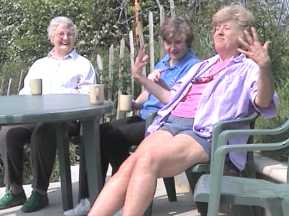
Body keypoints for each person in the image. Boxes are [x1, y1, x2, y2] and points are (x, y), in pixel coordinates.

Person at [88, 4, 278, 216]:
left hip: (203, 131)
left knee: (147, 161)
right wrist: (140, 78)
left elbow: (263, 102)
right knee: (129, 164)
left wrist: (264, 68)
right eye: (216, 27)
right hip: (172, 122)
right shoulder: (204, 66)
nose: (218, 31)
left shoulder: (249, 67)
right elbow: (170, 98)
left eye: (225, 27)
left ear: (243, 34)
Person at [0, 16, 96, 213]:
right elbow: (25, 94)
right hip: (36, 116)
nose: (66, 37)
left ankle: (39, 192)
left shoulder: (83, 64)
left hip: (67, 119)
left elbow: (88, 95)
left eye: (70, 34)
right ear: (52, 37)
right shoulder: (40, 64)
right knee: (8, 132)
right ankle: (15, 189)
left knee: (44, 129)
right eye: (61, 34)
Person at [99, 16, 199, 179]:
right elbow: (149, 91)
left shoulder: (193, 66)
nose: (172, 48)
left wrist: (142, 77)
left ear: (188, 42)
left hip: (163, 121)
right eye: (168, 43)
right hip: (145, 116)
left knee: (113, 136)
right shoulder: (166, 61)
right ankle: (94, 191)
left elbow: (175, 99)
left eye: (178, 42)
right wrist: (135, 104)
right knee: (101, 131)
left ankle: (126, 180)